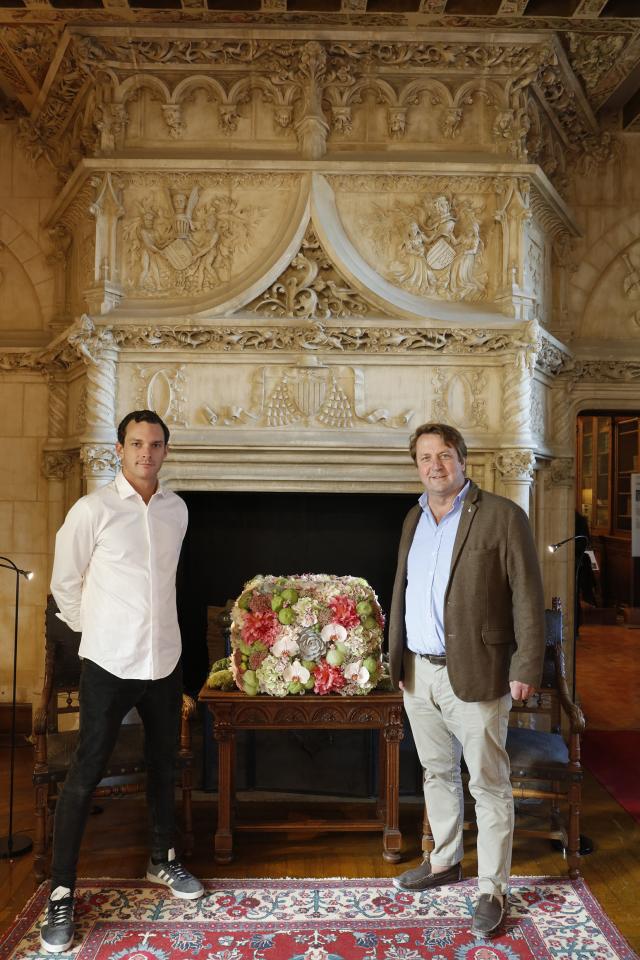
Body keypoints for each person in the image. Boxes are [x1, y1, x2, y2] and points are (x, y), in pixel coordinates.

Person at [41, 409, 203, 954]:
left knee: (164, 764)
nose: (145, 453)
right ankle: (62, 890)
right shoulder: (92, 510)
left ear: (165, 451)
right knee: (86, 771)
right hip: (109, 665)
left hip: (164, 662)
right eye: (136, 444)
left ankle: (163, 859)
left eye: (155, 445)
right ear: (119, 449)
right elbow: (65, 585)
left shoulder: (177, 510)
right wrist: (99, 632)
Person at [388, 422, 545, 938]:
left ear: (462, 460)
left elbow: (527, 594)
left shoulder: (502, 515)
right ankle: (445, 861)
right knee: (437, 772)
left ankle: (491, 889)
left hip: (480, 670)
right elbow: (404, 589)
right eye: (425, 457)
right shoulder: (414, 517)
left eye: (444, 455)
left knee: (488, 782)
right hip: (419, 672)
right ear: (416, 465)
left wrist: (525, 666)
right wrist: (398, 659)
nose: (434, 465)